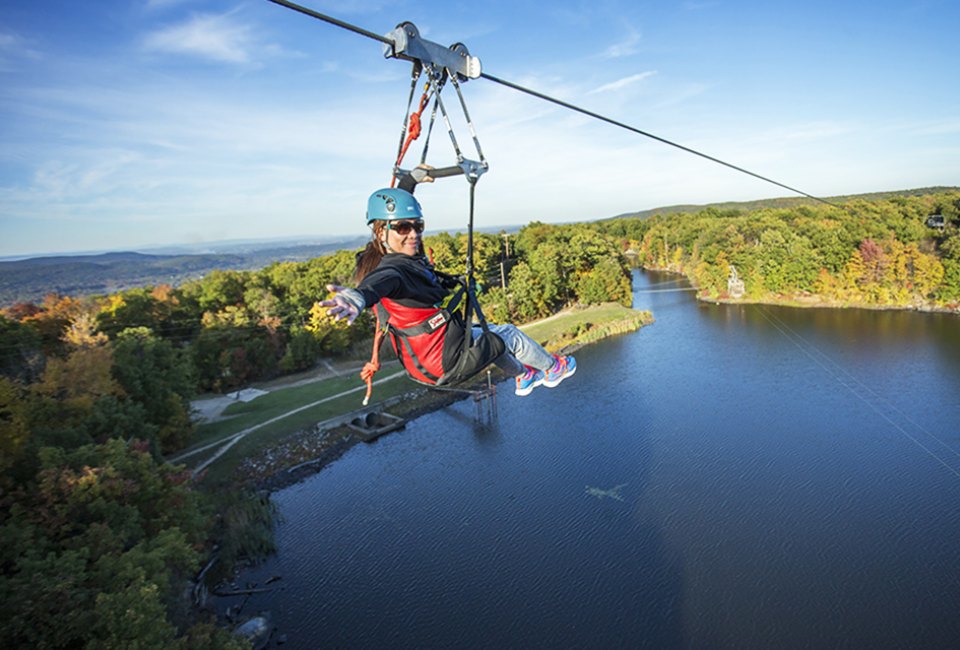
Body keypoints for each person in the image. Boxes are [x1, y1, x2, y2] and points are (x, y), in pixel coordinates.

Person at [320, 175, 575, 397]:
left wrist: (409, 181)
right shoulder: (393, 271)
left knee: (490, 337)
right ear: (380, 231)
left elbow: (397, 222)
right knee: (509, 335)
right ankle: (554, 369)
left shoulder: (387, 258)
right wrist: (357, 297)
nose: (413, 234)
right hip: (443, 360)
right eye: (403, 227)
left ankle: (524, 376)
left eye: (418, 225)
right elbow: (376, 285)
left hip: (427, 356)